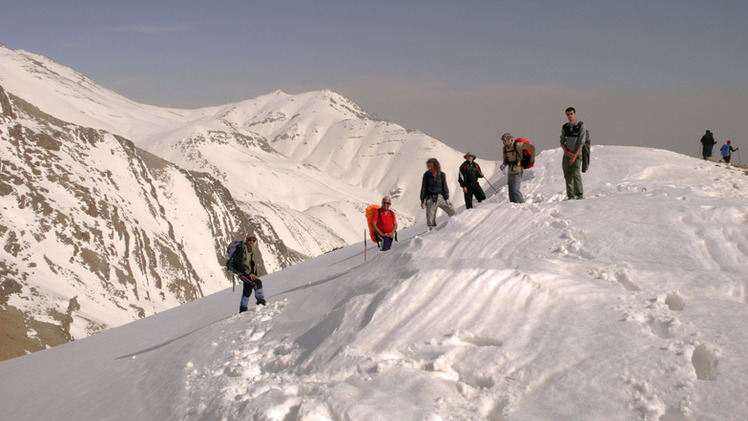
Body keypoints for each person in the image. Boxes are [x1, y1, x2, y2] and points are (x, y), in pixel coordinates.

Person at [420, 158, 456, 230]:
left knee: (453, 211)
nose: (429, 168)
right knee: (430, 218)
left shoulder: (442, 175)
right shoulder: (426, 175)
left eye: (431, 166)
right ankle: (432, 232)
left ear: (436, 166)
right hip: (430, 199)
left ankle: (455, 226)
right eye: (428, 166)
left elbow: (445, 186)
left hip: (441, 197)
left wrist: (447, 198)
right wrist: (422, 201)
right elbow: (423, 188)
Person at [234, 234, 266, 312]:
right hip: (243, 273)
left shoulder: (251, 249)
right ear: (246, 240)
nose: (251, 242)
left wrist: (255, 274)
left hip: (249, 273)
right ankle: (261, 301)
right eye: (249, 240)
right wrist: (249, 274)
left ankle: (243, 308)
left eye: (253, 240)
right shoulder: (242, 249)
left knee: (247, 289)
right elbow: (240, 263)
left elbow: (252, 263)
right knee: (257, 283)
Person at [560, 107, 586, 200]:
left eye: (571, 114)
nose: (570, 116)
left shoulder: (580, 126)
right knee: (567, 174)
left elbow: (581, 142)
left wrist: (575, 155)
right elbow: (562, 141)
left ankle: (579, 194)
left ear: (574, 114)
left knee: (575, 173)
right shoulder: (565, 127)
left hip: (577, 154)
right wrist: (567, 152)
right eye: (568, 114)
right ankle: (571, 195)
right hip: (567, 155)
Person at [501, 133, 534, 203]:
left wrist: (531, 159)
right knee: (511, 190)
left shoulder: (517, 145)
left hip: (518, 170)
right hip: (510, 170)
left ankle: (522, 204)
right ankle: (513, 205)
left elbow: (531, 147)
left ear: (509, 140)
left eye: (504, 140)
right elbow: (505, 159)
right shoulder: (505, 148)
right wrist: (503, 165)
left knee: (515, 189)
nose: (503, 142)